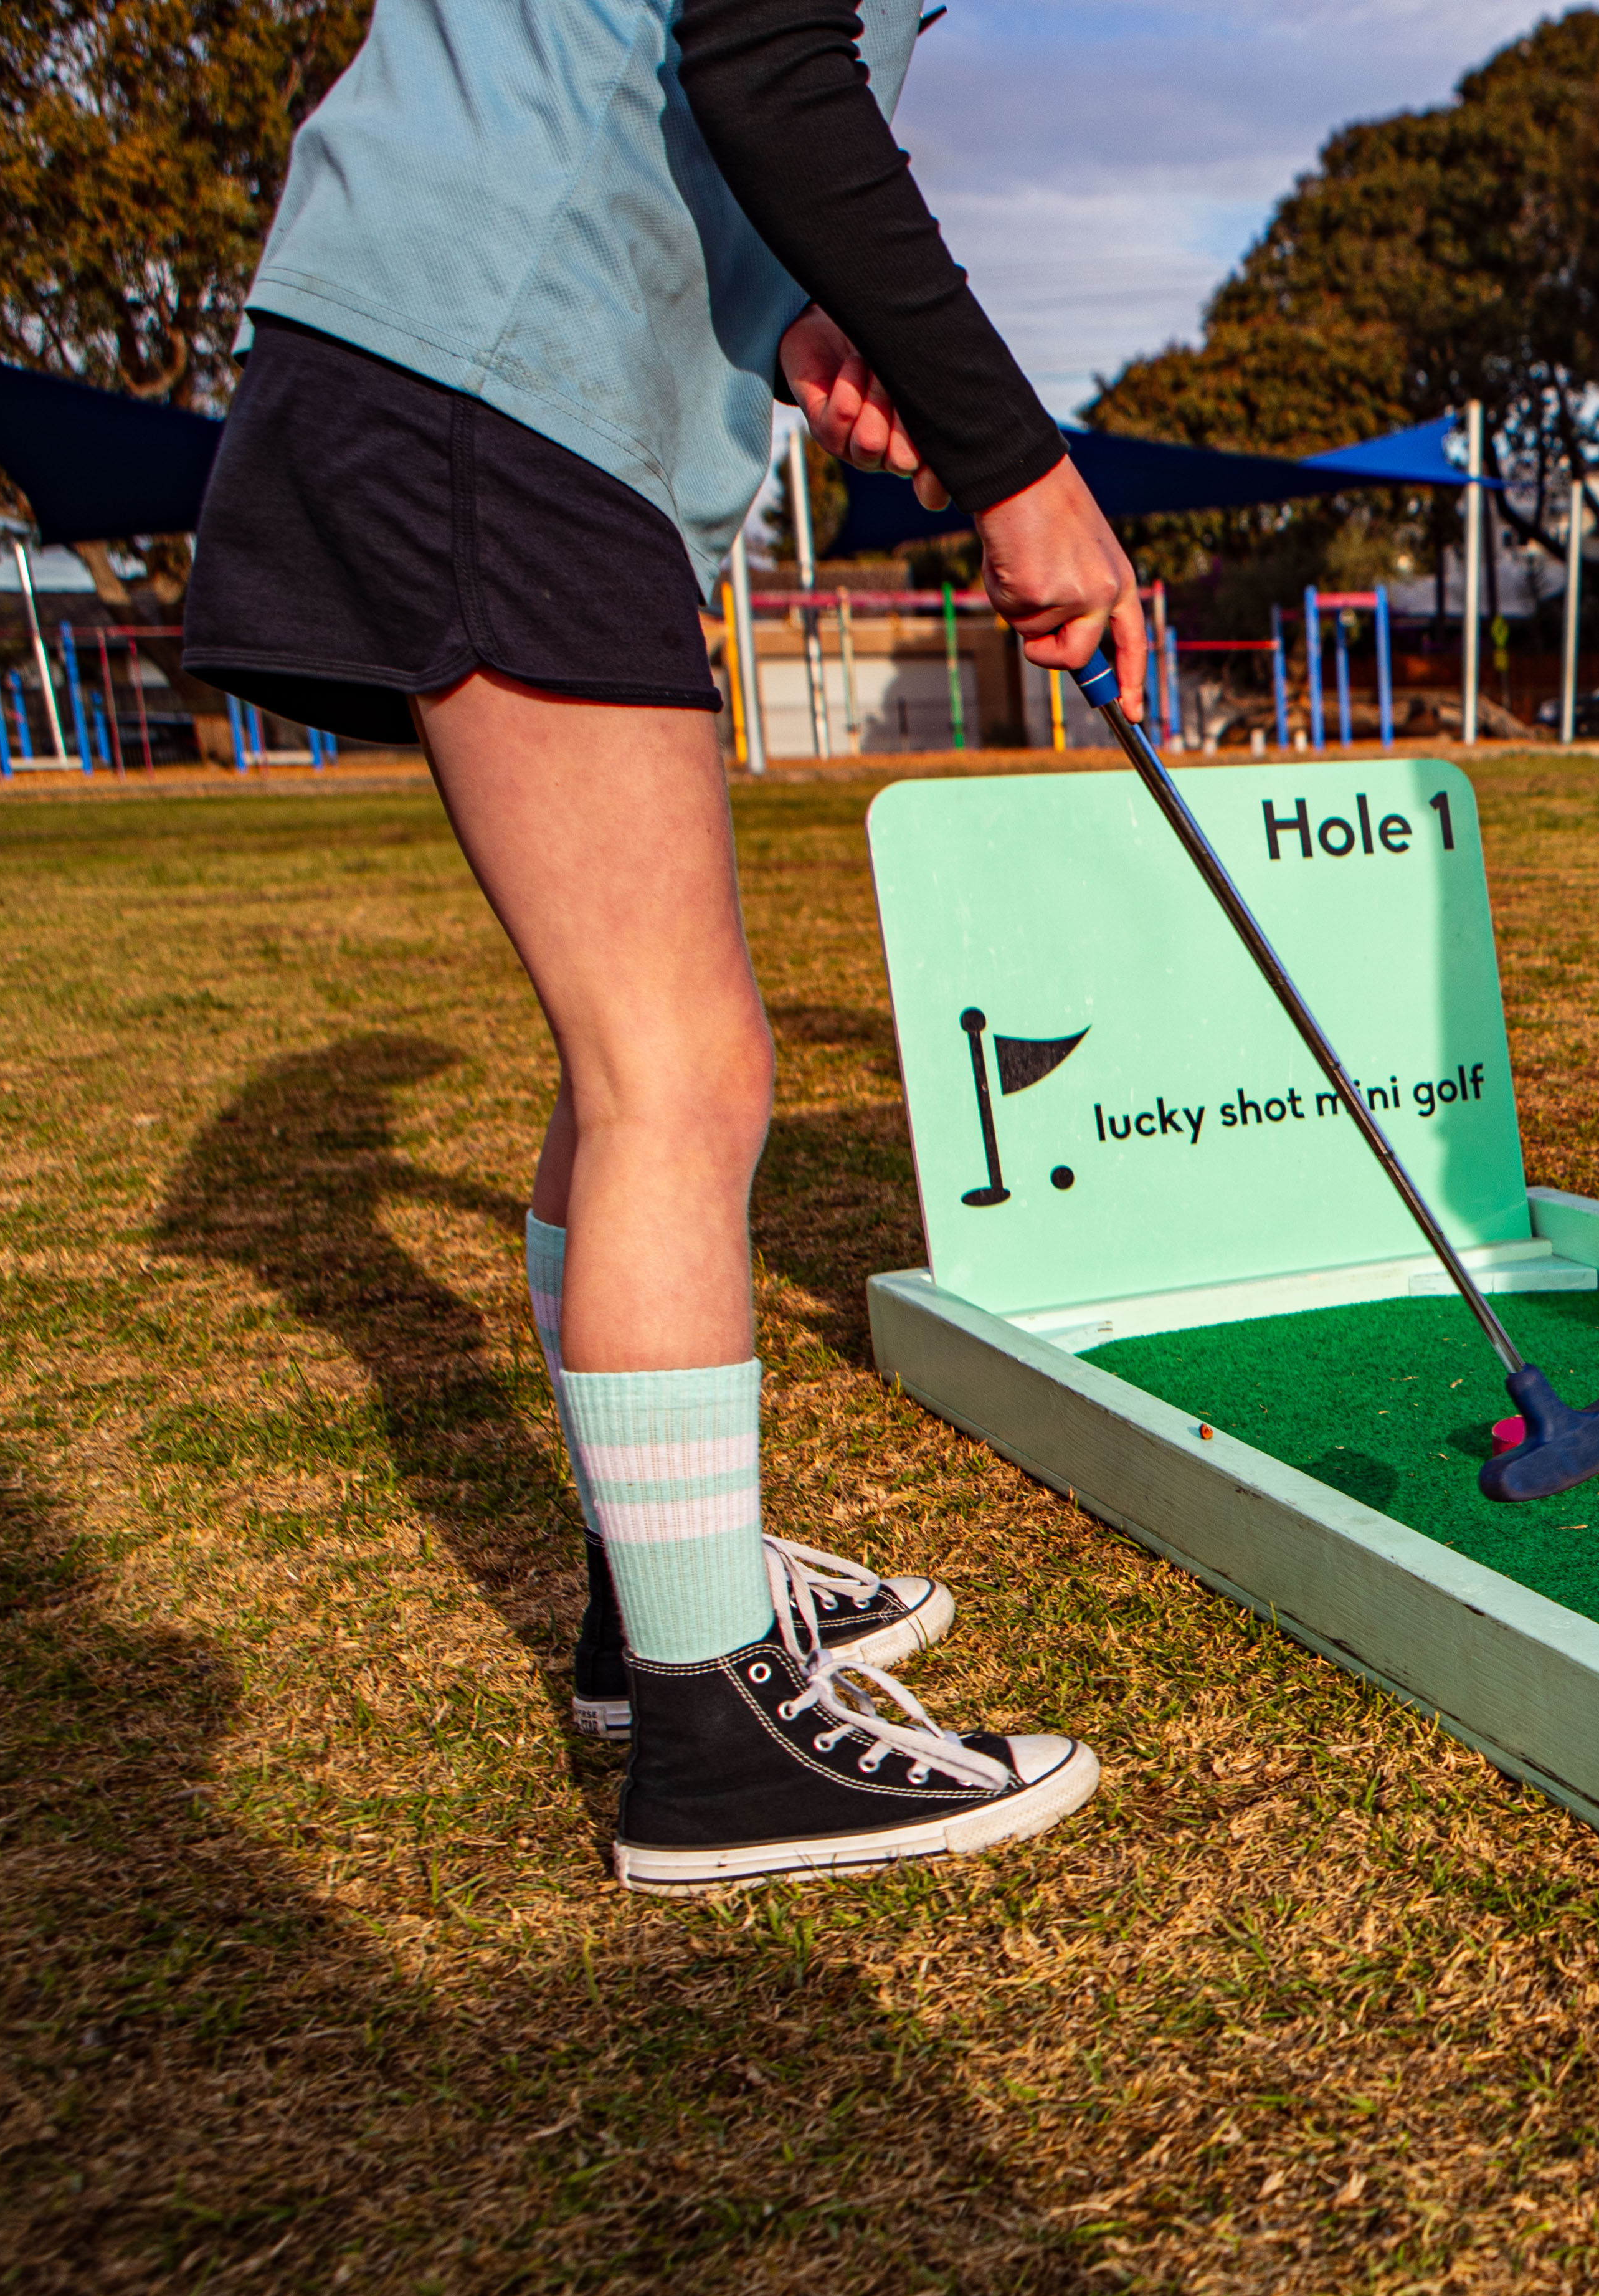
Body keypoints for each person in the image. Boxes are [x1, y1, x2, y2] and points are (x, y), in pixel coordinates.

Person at [185, 0, 1148, 1890]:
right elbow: (772, 62)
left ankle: (662, 1610)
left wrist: (793, 313)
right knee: (677, 1067)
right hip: (495, 376)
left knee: (627, 1055)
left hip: (486, 364)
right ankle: (716, 1730)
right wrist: (1020, 465)